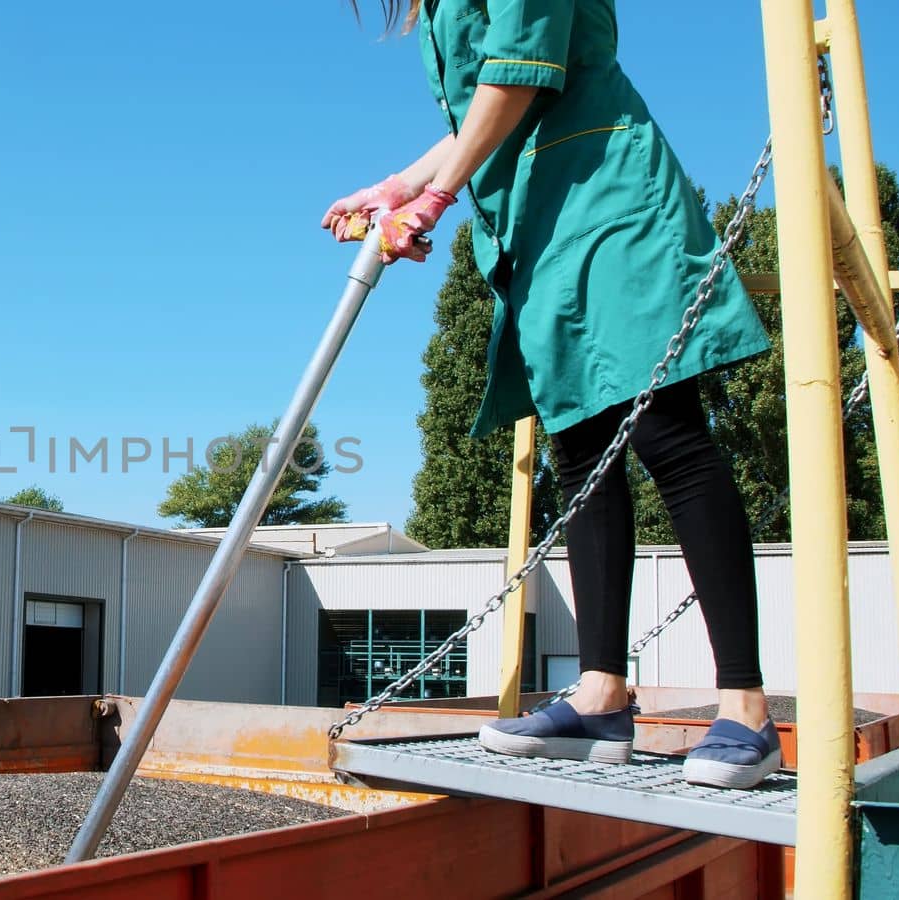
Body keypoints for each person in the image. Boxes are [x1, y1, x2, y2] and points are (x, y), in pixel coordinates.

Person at [324, 0, 779, 789]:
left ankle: (746, 709)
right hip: (542, 216)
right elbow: (480, 111)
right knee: (579, 451)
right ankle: (602, 696)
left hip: (607, 197)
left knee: (665, 436)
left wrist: (432, 201)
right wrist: (397, 184)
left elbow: (518, 75)